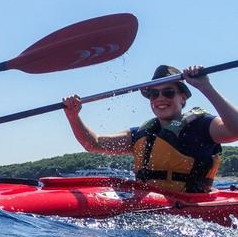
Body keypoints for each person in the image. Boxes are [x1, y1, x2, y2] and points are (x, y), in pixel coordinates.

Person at [62, 65, 238, 193]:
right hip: (150, 209)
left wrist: (205, 86)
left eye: (168, 92)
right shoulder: (141, 134)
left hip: (192, 209)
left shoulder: (202, 126)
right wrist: (73, 116)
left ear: (183, 98)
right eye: (154, 94)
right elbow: (93, 143)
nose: (160, 98)